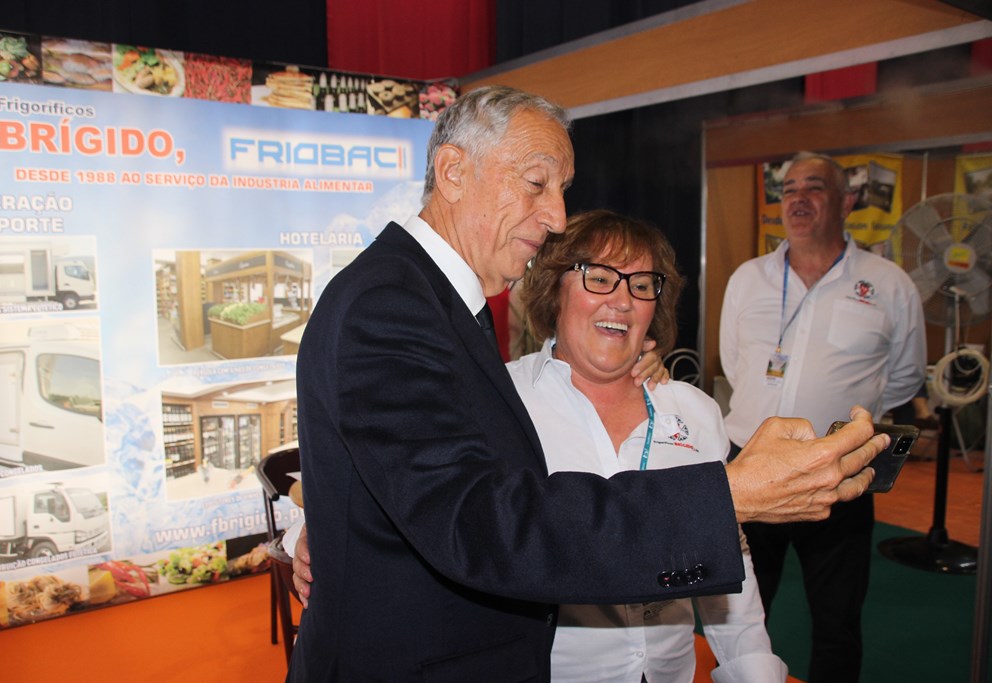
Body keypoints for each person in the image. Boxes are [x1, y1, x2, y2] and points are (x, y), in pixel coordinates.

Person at [289, 87, 885, 682]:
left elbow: (415, 480)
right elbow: (479, 522)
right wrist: (729, 496)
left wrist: (342, 529)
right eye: (536, 183)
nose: (555, 217)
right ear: (452, 172)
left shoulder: (434, 304)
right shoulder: (394, 304)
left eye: (642, 285)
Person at [507, 209, 786, 682]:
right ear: (554, 289)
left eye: (641, 285)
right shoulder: (506, 403)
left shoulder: (695, 414)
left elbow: (728, 569)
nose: (622, 301)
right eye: (599, 278)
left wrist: (755, 674)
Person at [720, 151, 926, 682]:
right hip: (750, 465)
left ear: (846, 201)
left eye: (814, 187)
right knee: (738, 613)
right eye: (789, 189)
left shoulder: (890, 284)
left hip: (842, 470)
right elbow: (734, 364)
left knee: (837, 618)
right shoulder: (748, 278)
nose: (798, 199)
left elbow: (904, 377)